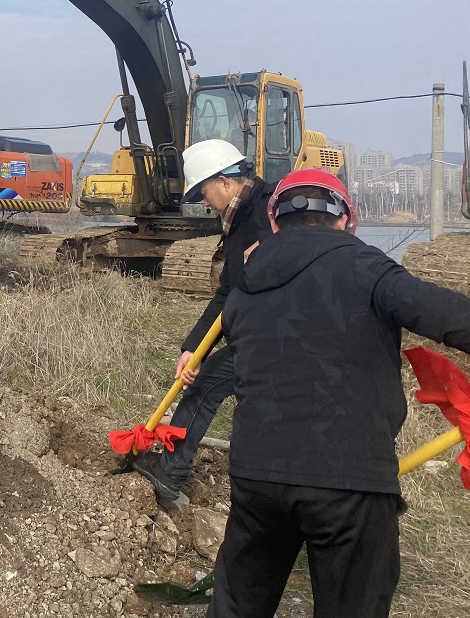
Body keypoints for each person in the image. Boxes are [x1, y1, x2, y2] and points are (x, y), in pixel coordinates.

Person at [208, 169, 470, 618]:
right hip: (349, 480)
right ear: (348, 218)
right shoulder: (367, 265)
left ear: (273, 221)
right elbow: (450, 317)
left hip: (257, 476)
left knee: (236, 608)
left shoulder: (245, 282)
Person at [133, 139, 273, 510]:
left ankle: (171, 472)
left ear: (225, 181)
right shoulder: (239, 219)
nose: (205, 203)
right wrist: (193, 349)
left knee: (211, 390)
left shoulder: (270, 210)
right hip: (263, 335)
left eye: (204, 192)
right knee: (214, 387)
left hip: (281, 338)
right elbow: (228, 292)